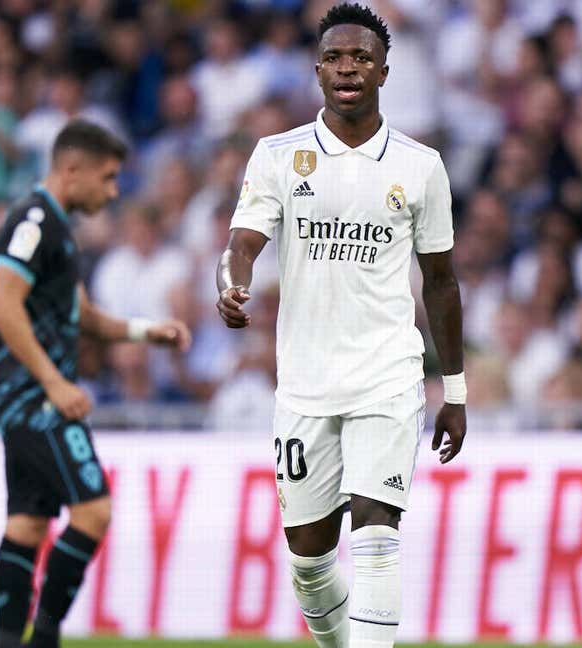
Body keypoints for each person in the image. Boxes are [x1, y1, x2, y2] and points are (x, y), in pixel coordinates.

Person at [214, 5, 466, 647]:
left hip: (387, 374)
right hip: (304, 383)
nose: (347, 67)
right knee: (309, 562)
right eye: (334, 57)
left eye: (360, 57)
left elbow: (440, 281)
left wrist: (455, 393)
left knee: (378, 533)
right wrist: (232, 279)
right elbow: (244, 239)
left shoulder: (420, 165)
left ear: (384, 69)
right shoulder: (278, 155)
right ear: (317, 70)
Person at [0, 120, 191, 648]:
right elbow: (3, 308)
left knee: (28, 525)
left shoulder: (57, 227)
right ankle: (45, 638)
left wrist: (147, 332)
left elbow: (84, 315)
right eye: (108, 178)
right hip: (31, 395)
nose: (114, 191)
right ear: (72, 169)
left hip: (26, 393)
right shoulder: (33, 222)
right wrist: (54, 384)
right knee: (94, 509)